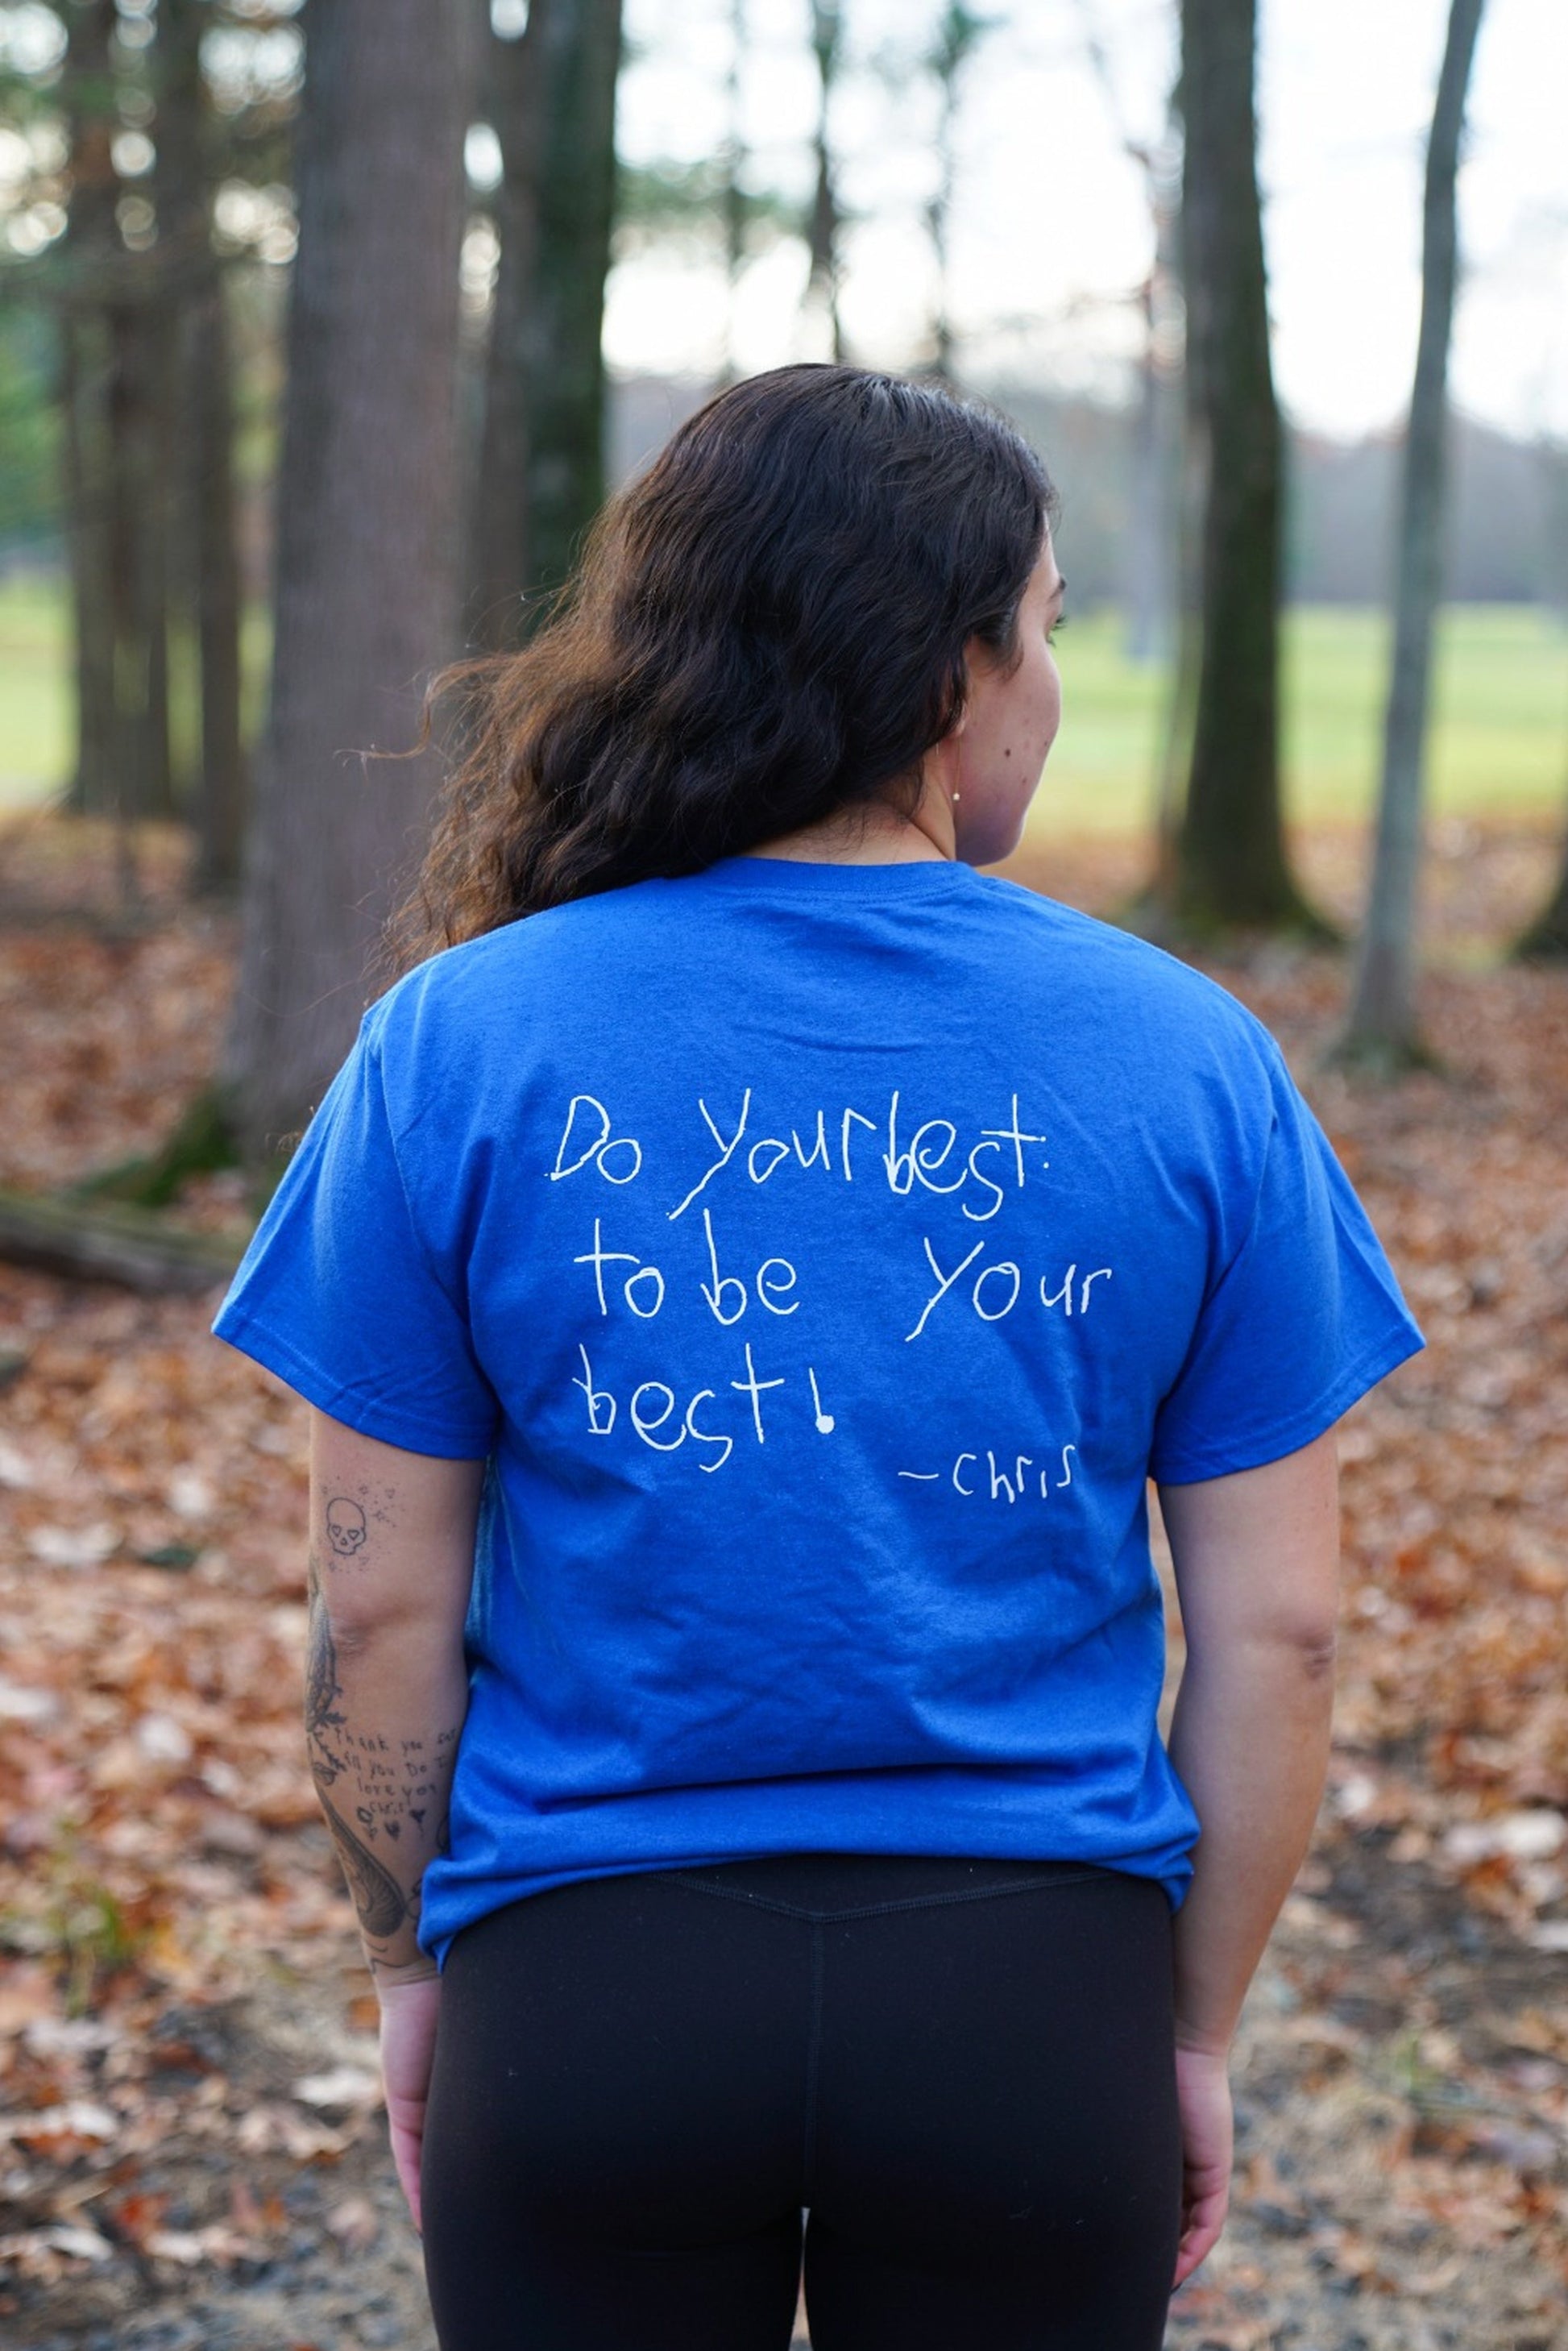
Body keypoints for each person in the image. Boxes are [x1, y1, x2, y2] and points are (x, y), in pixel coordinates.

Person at [213, 364, 1421, 2351]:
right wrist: (1190, 2029)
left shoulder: (456, 1042)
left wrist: (415, 1972)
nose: (1048, 687)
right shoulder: (1191, 1059)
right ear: (949, 673)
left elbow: (381, 1605)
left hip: (584, 1999)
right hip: (1028, 2010)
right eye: (1040, 630)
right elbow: (1279, 1633)